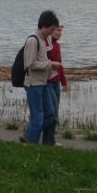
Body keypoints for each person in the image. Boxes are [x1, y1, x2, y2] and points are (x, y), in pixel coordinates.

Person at [23, 10, 61, 145]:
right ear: (44, 26)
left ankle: (29, 136)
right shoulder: (33, 40)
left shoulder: (43, 39)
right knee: (38, 119)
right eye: (51, 30)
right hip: (33, 85)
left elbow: (40, 61)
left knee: (50, 115)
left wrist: (50, 66)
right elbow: (30, 63)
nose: (52, 33)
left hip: (43, 83)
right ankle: (31, 145)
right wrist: (51, 64)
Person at [46, 25, 68, 121]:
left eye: (61, 31)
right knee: (52, 110)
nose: (60, 33)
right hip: (47, 82)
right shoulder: (46, 44)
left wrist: (64, 82)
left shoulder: (58, 45)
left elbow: (60, 65)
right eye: (58, 30)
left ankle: (52, 131)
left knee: (56, 110)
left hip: (56, 82)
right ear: (51, 30)